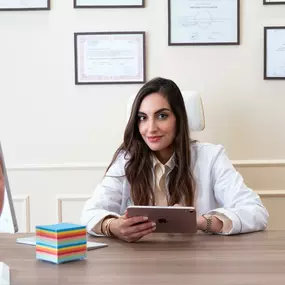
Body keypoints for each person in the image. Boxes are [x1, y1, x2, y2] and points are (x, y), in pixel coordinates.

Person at [80, 77, 269, 242]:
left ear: (179, 118)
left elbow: (256, 212)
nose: (150, 128)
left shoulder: (211, 157)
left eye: (162, 116)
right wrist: (113, 226)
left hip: (198, 262)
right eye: (142, 118)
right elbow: (89, 213)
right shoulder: (126, 160)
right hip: (138, 263)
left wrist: (202, 222)